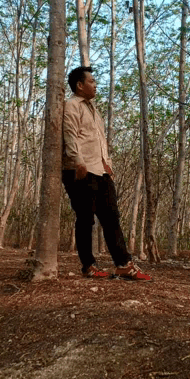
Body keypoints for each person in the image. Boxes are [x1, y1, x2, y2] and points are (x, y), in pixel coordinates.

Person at [62, 66, 152, 281]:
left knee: (112, 217)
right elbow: (70, 135)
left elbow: (99, 140)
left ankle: (123, 264)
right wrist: (79, 162)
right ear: (80, 85)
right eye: (92, 81)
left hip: (100, 170)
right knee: (85, 219)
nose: (95, 85)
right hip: (81, 169)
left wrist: (107, 164)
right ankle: (88, 266)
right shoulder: (72, 105)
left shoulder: (93, 108)